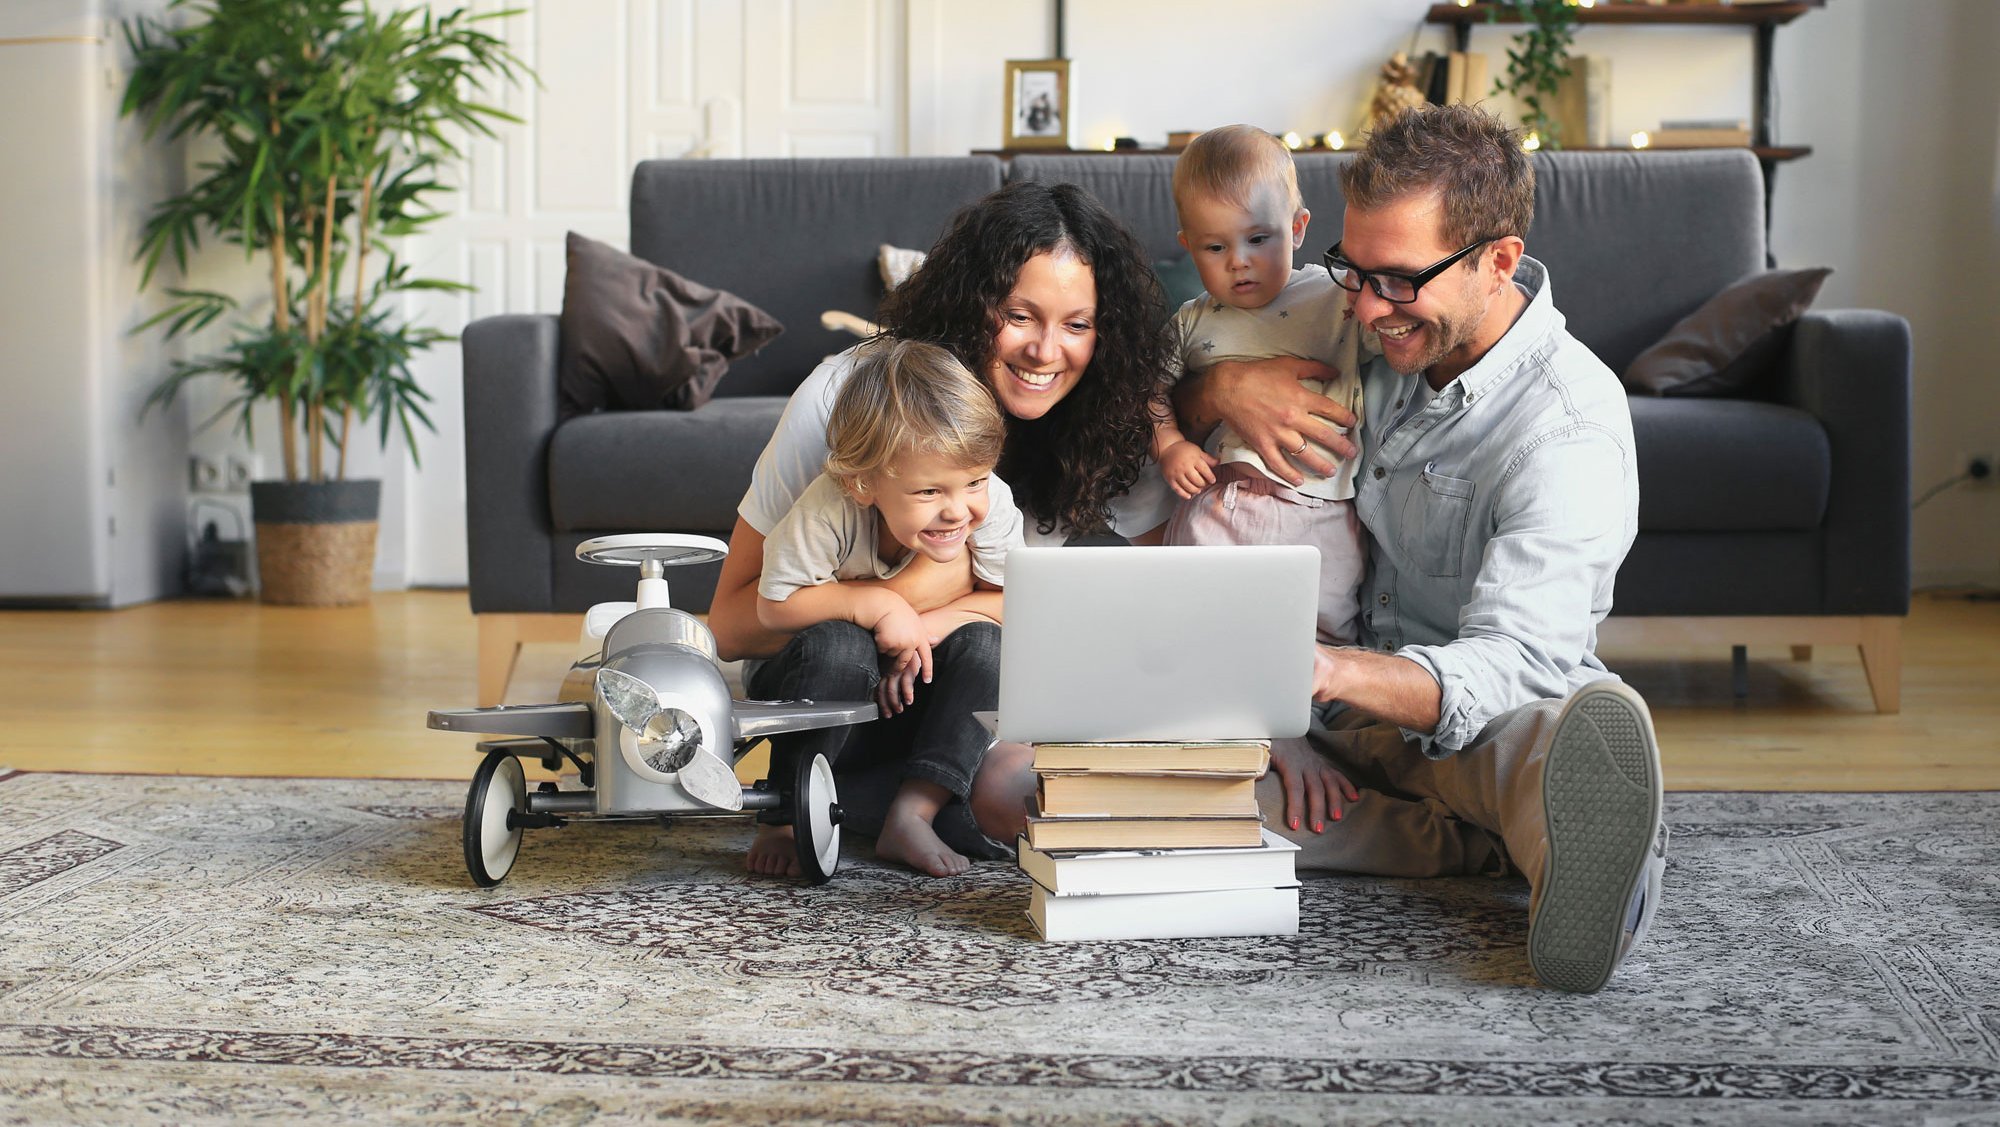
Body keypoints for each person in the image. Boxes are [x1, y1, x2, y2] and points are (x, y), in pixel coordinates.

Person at [1172, 104, 1669, 994]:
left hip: (1478, 710)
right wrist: (1222, 385)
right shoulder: (1367, 332)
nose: (1365, 307)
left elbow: (1511, 660)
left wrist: (1320, 669)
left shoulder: (1569, 426)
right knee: (1147, 798)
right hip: (1335, 727)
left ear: (1499, 261)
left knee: (1539, 736)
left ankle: (1564, 824)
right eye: (1352, 273)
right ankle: (1492, 846)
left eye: (1397, 280)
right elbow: (1203, 353)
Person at [709, 179, 1206, 875]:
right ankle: (809, 801)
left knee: (1036, 794)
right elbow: (731, 625)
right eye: (1019, 315)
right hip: (824, 671)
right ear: (972, 304)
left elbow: (1110, 608)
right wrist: (899, 596)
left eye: (1077, 324)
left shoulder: (1106, 424)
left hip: (950, 691)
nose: (1045, 350)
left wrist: (946, 611)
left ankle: (890, 804)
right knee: (847, 651)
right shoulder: (849, 400)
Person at [753, 339, 1024, 877]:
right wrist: (877, 605)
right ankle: (785, 815)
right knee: (840, 641)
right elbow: (772, 607)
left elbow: (1014, 600)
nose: (958, 509)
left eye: (973, 481)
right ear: (862, 482)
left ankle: (913, 812)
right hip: (816, 696)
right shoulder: (829, 507)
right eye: (928, 492)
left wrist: (924, 626)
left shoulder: (989, 502)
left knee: (990, 645)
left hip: (909, 698)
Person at [1152, 124, 1377, 647]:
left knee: (1321, 645)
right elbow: (1147, 390)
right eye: (1214, 246)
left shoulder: (1335, 299)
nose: (1239, 261)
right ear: (1188, 246)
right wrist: (1169, 443)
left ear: (1298, 228)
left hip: (1321, 511)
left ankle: (1326, 724)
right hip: (1220, 503)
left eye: (1258, 239)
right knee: (1188, 633)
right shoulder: (1191, 321)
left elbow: (1393, 337)